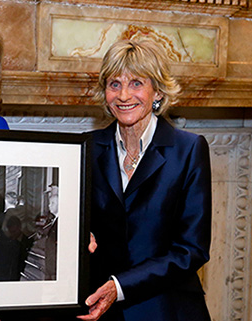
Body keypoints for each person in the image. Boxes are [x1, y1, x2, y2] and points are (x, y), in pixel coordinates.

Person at [78, 39, 212, 321]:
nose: (124, 95)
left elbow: (192, 250)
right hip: (100, 310)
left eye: (136, 83)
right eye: (114, 84)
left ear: (158, 92)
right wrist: (78, 236)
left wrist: (121, 286)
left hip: (167, 309)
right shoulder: (87, 148)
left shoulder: (188, 150)